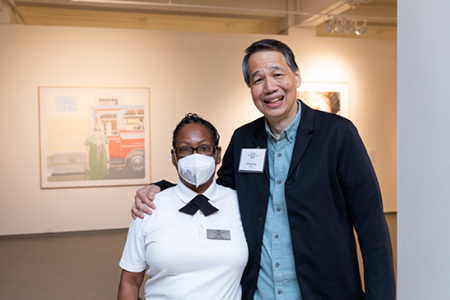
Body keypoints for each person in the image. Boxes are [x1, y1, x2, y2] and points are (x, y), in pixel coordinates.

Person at [132, 39, 395, 300]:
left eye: (277, 74)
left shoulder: (337, 134)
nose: (270, 87)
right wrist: (164, 188)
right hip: (260, 293)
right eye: (258, 80)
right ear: (251, 89)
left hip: (325, 291)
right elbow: (217, 190)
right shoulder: (245, 139)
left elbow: (371, 225)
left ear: (296, 76)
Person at [117, 113, 248, 300]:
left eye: (204, 148)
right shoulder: (149, 206)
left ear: (217, 154)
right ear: (174, 157)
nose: (195, 156)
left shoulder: (240, 204)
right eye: (185, 149)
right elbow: (130, 281)